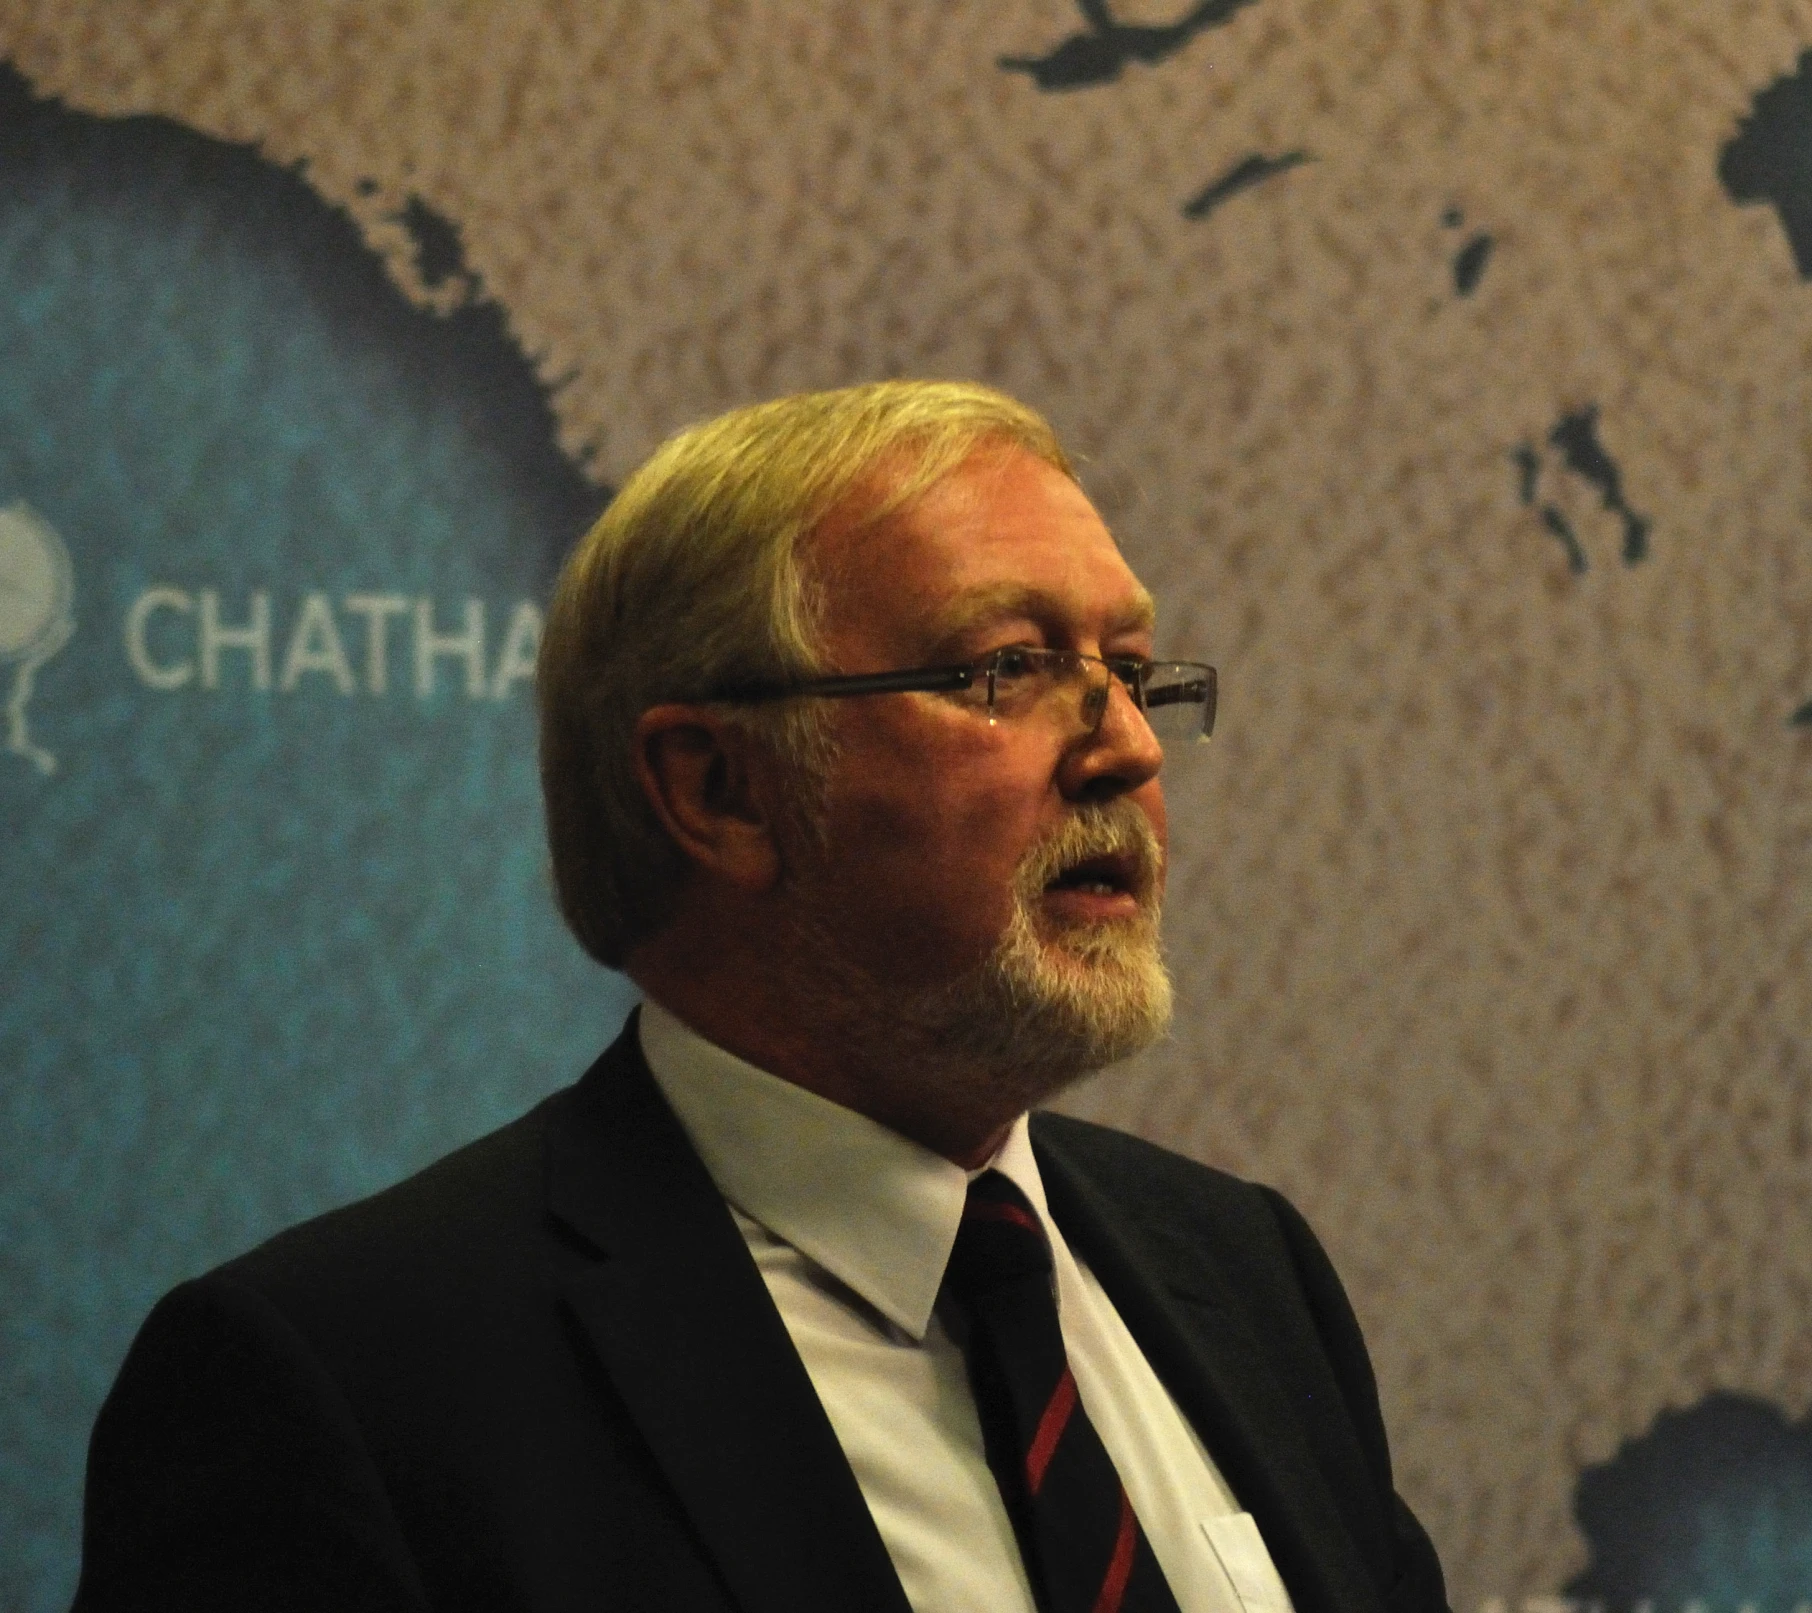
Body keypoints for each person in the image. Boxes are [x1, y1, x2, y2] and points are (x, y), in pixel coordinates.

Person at [74, 381, 1449, 1613]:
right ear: (718, 789)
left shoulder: (1243, 1274)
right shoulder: (352, 1386)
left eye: (1132, 673)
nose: (1129, 752)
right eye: (1007, 671)